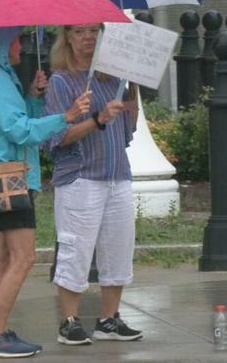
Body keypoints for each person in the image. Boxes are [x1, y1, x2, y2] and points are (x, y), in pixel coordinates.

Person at [0, 28, 91, 359]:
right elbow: (19, 131)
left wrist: (34, 97)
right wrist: (65, 117)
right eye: (16, 40)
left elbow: (16, 119)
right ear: (1, 44)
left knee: (3, 258)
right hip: (8, 177)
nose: (21, 46)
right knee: (24, 257)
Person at [43, 24, 142, 346]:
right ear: (67, 39)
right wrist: (95, 119)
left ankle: (109, 318)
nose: (87, 38)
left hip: (117, 174)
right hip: (81, 177)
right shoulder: (61, 82)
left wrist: (134, 86)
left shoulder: (112, 81)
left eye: (94, 32)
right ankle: (69, 320)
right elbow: (57, 138)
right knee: (76, 249)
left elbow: (130, 126)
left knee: (119, 248)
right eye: (79, 32)